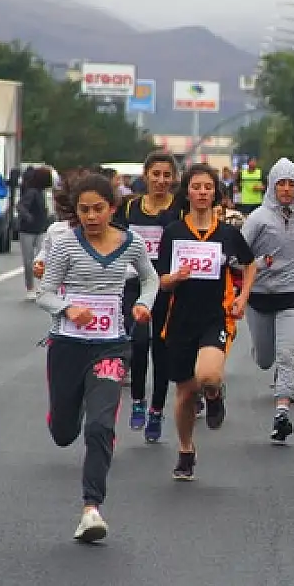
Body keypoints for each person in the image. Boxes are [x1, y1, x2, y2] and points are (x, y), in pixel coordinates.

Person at [35, 172, 158, 542]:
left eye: (98, 209)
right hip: (68, 346)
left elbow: (150, 279)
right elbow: (44, 293)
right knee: (63, 432)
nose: (90, 217)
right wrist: (68, 307)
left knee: (100, 426)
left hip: (110, 345)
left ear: (113, 209)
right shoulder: (66, 245)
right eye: (84, 210)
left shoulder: (130, 243)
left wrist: (142, 303)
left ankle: (91, 508)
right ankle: (59, 415)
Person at [157, 164, 256, 481]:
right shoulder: (174, 232)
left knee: (209, 375)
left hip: (217, 316)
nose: (202, 193)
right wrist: (175, 277)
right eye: (196, 187)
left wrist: (243, 297)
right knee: (185, 393)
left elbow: (250, 263)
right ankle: (186, 450)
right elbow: (161, 280)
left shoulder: (227, 233)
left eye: (208, 187)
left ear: (216, 193)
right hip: (180, 319)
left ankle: (214, 395)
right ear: (187, 192)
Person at [240, 158, 294, 443]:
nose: (287, 189)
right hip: (260, 297)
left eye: (292, 184)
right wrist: (261, 264)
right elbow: (235, 258)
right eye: (282, 184)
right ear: (272, 186)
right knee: (266, 359)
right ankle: (267, 358)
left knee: (287, 356)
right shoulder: (257, 219)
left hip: (293, 294)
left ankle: (282, 413)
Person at [113, 152, 182, 442]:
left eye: (167, 175)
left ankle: (157, 410)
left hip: (169, 285)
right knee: (139, 343)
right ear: (146, 175)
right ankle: (139, 400)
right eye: (156, 174)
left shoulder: (179, 210)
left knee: (163, 348)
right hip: (136, 284)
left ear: (174, 179)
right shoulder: (129, 209)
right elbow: (112, 239)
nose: (161, 181)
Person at [16, 166, 53, 300]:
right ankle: (30, 287)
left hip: (40, 228)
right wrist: (28, 217)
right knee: (29, 260)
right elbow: (20, 206)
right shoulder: (32, 192)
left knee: (41, 258)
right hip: (28, 230)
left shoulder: (42, 192)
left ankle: (41, 286)